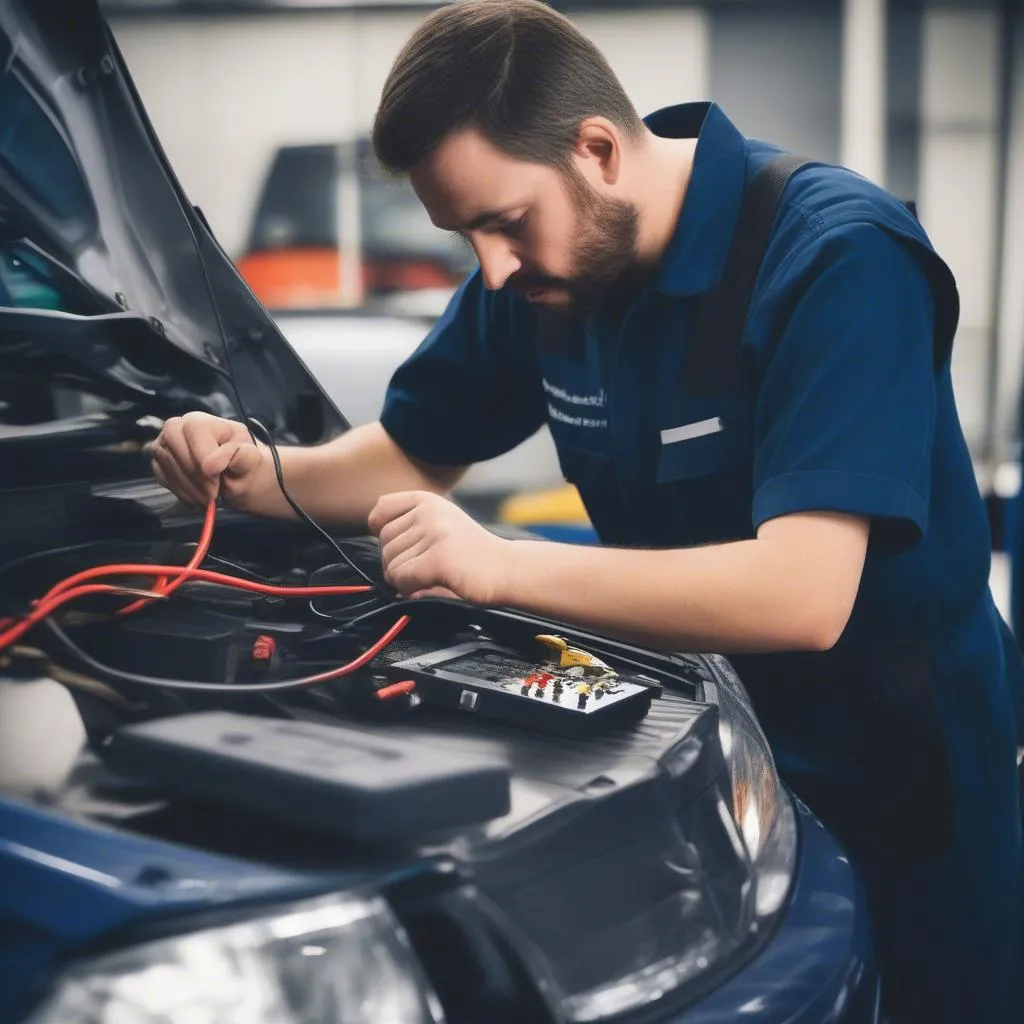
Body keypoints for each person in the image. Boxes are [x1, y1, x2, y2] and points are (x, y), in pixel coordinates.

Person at [151, 1, 1022, 1019]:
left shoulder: (838, 260)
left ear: (598, 149)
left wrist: (499, 565)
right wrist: (258, 472)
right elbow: (408, 454)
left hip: (909, 796)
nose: (490, 267)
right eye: (464, 233)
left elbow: (803, 592)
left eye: (505, 223)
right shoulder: (543, 273)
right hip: (716, 761)